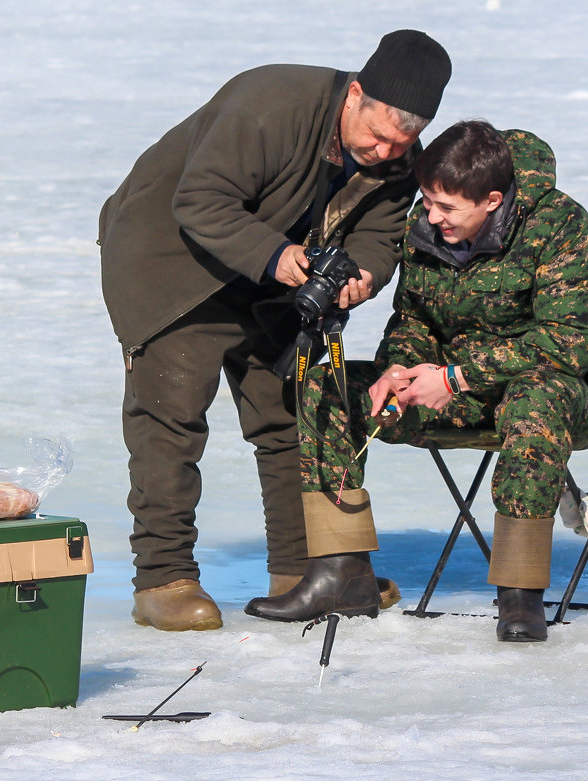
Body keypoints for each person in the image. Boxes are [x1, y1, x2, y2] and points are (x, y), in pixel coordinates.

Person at [98, 31, 452, 631]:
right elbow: (202, 200)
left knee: (288, 417)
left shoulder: (394, 153)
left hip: (275, 278)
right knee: (171, 422)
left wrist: (364, 272)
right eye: (377, 134)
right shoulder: (270, 103)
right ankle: (163, 579)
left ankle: (299, 569)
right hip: (177, 268)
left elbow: (383, 227)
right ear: (355, 93)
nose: (386, 151)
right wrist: (279, 256)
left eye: (403, 142)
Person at [244, 120, 588, 642]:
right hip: (451, 390)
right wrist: (399, 370)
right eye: (427, 201)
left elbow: (570, 345)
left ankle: (520, 595)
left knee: (535, 397)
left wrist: (457, 376)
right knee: (325, 389)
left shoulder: (561, 226)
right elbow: (415, 319)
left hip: (567, 398)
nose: (431, 216)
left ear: (492, 200)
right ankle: (342, 573)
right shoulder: (426, 227)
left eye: (446, 208)